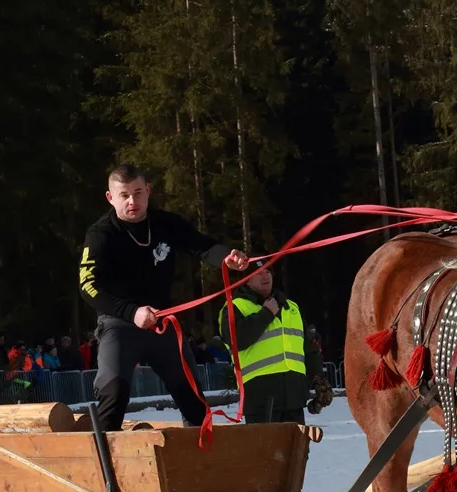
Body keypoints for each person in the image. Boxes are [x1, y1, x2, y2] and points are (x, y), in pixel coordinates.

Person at [79, 163, 249, 430]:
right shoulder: (100, 235)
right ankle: (103, 463)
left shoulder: (165, 223)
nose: (132, 201)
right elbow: (88, 286)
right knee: (113, 394)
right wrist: (131, 312)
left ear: (148, 191)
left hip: (163, 322)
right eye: (124, 195)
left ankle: (199, 459)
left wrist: (227, 257)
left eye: (137, 192)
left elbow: (202, 246)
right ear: (111, 198)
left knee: (192, 396)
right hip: (119, 322)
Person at [219, 260, 332, 424]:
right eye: (258, 273)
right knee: (266, 450)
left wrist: (319, 379)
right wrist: (266, 314)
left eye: (267, 272)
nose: (265, 276)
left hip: (294, 398)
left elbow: (308, 348)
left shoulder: (291, 307)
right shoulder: (234, 307)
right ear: (246, 279)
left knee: (296, 450)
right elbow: (236, 341)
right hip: (260, 400)